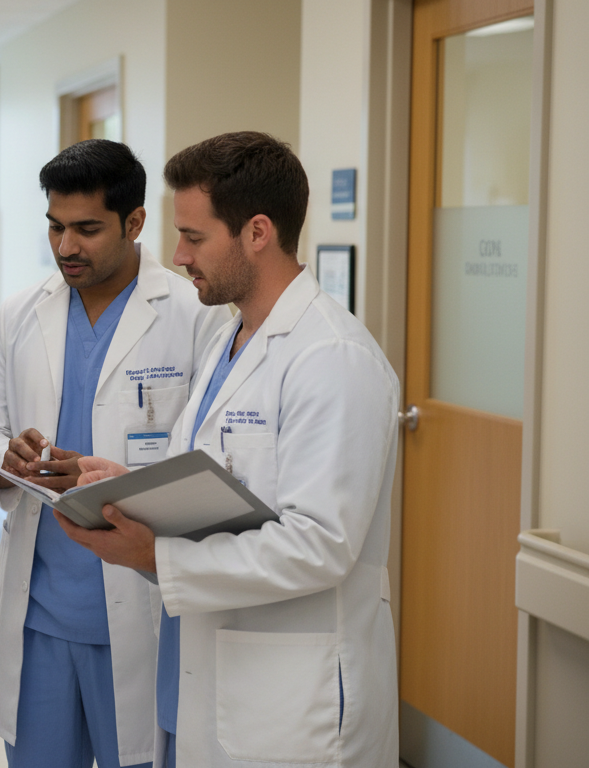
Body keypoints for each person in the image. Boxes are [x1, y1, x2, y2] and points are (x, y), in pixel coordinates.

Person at [57, 132, 400, 767]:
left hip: (292, 702)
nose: (179, 254)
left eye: (194, 236)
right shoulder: (232, 337)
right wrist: (128, 482)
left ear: (257, 232)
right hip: (213, 671)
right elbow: (222, 477)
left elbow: (321, 543)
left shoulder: (333, 359)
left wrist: (158, 557)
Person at [0, 139, 223, 768]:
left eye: (86, 229)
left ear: (135, 223)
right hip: (41, 612)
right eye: (55, 227)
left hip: (141, 609)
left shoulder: (195, 314)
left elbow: (213, 458)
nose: (65, 247)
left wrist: (114, 477)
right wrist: (10, 457)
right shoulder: (21, 313)